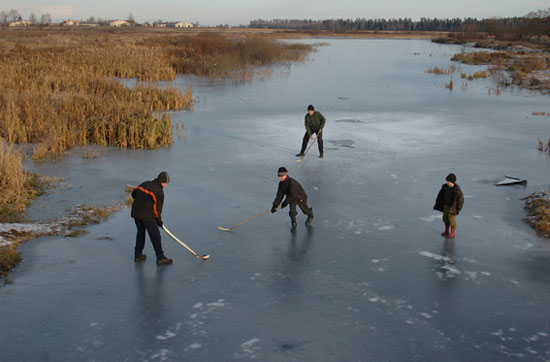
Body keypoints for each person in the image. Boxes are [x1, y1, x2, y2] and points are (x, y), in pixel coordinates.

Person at [131, 171, 173, 265]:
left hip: (136, 212)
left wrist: (140, 202)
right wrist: (159, 221)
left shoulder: (145, 183)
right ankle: (160, 257)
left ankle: (138, 255)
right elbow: (156, 210)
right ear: (164, 182)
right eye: (167, 183)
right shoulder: (159, 192)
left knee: (141, 232)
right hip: (147, 215)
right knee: (155, 235)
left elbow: (134, 193)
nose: (166, 185)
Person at [271, 167, 314, 232]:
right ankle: (293, 223)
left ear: (286, 175)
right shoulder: (281, 184)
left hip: (300, 197)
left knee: (305, 211)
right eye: (279, 176)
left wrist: (284, 204)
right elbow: (279, 196)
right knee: (292, 212)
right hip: (291, 199)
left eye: (282, 175)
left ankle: (310, 214)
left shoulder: (291, 182)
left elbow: (292, 195)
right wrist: (275, 206)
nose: (281, 177)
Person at [433, 173, 464, 238]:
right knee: (445, 218)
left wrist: (458, 208)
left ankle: (452, 232)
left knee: (452, 220)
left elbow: (461, 200)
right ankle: (446, 230)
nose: (447, 182)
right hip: (445, 205)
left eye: (448, 181)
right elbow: (440, 196)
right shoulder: (444, 187)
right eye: (447, 181)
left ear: (452, 182)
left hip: (453, 207)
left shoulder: (457, 190)